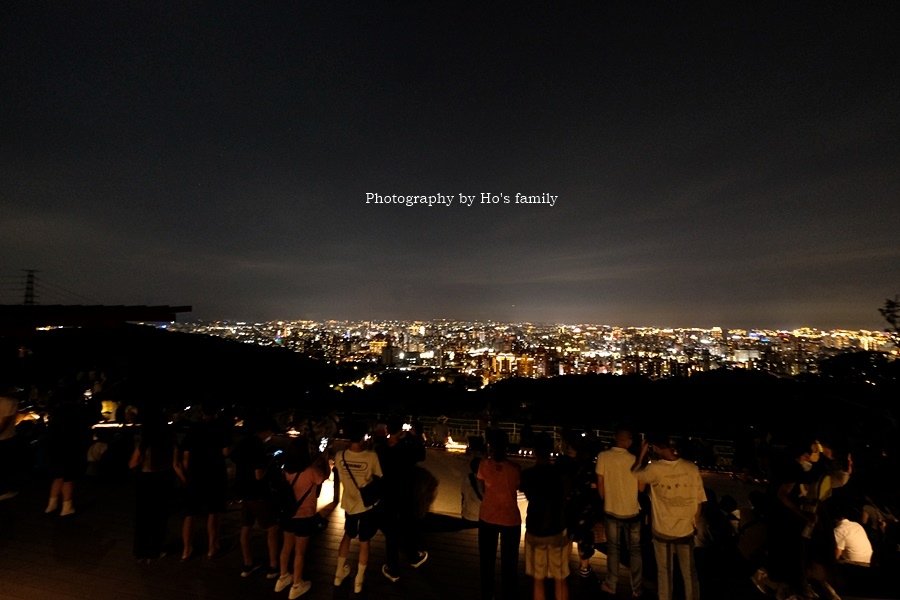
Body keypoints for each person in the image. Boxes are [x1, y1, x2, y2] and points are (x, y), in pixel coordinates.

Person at [632, 434, 706, 600]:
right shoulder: (691, 468)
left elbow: (637, 476)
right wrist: (694, 524)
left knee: (664, 572)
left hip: (662, 529)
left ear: (655, 447)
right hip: (685, 529)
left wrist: (641, 455)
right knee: (689, 573)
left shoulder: (654, 469)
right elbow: (699, 500)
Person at [377, 416, 429, 583]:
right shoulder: (406, 447)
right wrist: (415, 437)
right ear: (401, 429)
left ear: (387, 429)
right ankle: (413, 556)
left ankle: (393, 569)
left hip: (387, 493)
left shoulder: (381, 448)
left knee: (391, 531)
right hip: (406, 491)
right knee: (408, 523)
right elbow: (421, 455)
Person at [274, 442, 329, 599]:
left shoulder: (285, 470)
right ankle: (297, 585)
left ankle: (282, 577)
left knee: (286, 547)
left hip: (287, 516)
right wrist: (323, 460)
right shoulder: (311, 471)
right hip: (304, 517)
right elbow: (324, 477)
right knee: (300, 552)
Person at [334, 419, 383, 594]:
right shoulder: (371, 456)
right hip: (367, 506)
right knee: (364, 542)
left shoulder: (340, 456)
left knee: (347, 535)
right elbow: (379, 477)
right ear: (363, 437)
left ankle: (339, 574)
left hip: (349, 503)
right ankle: (359, 581)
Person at [231, 416, 283, 579]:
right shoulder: (259, 446)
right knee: (272, 528)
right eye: (271, 432)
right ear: (265, 430)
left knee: (246, 527)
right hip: (258, 493)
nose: (272, 435)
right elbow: (259, 475)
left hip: (243, 491)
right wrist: (271, 461)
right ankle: (273, 566)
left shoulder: (242, 443)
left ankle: (247, 564)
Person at [520, 433, 569, 600]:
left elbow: (527, 493)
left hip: (535, 528)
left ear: (534, 452)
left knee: (538, 580)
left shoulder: (527, 475)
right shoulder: (561, 475)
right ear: (551, 451)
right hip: (557, 529)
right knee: (560, 578)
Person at [596, 426, 644, 597]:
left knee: (613, 549)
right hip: (632, 511)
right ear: (628, 441)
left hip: (611, 510)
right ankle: (637, 589)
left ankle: (611, 584)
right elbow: (641, 487)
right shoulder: (634, 459)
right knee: (635, 550)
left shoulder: (603, 456)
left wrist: (606, 501)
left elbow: (600, 484)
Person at [477, 429, 522, 600]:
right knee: (509, 562)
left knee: (486, 559)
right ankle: (508, 594)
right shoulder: (515, 469)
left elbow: (482, 490)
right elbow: (517, 488)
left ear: (491, 446)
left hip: (488, 515)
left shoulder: (483, 465)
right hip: (510, 518)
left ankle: (487, 594)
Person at [129, 408, 175, 563]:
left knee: (143, 516)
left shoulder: (144, 438)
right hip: (163, 477)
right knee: (159, 516)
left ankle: (141, 552)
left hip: (145, 479)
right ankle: (155, 550)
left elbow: (134, 462)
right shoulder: (168, 436)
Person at [0, 387, 21, 501]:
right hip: (6, 438)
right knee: (6, 464)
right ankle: (5, 490)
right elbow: (5, 423)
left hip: (6, 437)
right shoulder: (11, 402)